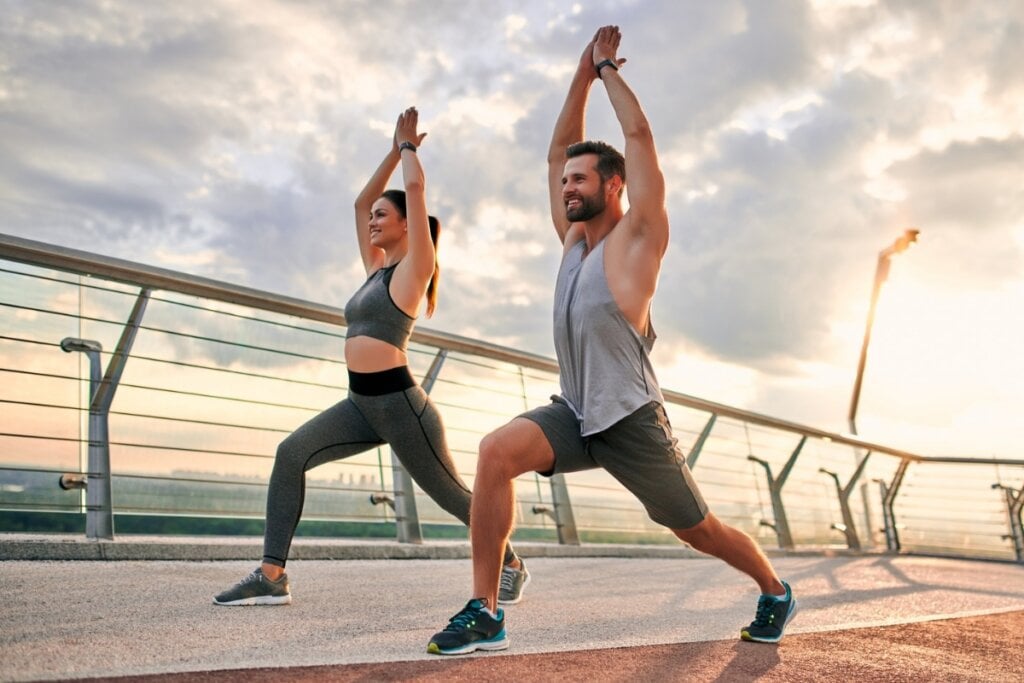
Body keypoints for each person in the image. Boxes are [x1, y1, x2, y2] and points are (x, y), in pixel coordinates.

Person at [426, 27, 796, 655]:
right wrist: (579, 76)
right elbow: (554, 154)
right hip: (575, 411)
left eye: (580, 179)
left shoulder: (638, 241)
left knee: (697, 530)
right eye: (566, 180)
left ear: (614, 185)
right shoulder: (573, 243)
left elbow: (640, 139)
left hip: (630, 419)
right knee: (495, 453)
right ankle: (485, 611)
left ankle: (774, 589)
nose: (567, 187)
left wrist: (606, 70)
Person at [213, 107, 529, 607]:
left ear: (408, 225)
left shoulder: (413, 269)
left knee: (453, 497)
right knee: (290, 453)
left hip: (403, 409)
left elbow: (417, 192)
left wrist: (409, 150)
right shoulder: (376, 270)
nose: (375, 221)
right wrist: (389, 149)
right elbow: (361, 203)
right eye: (376, 217)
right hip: (360, 404)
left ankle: (510, 562)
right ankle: (271, 574)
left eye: (386, 215)